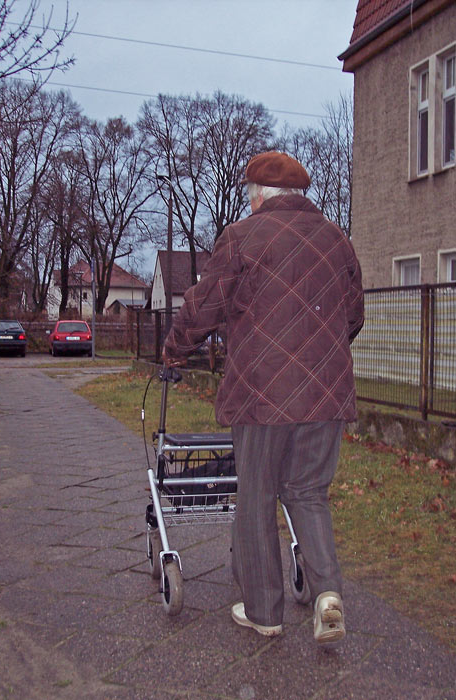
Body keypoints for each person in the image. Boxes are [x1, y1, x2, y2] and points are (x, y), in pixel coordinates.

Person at [162, 150, 364, 644]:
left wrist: (173, 352)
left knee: (255, 498)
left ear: (257, 195)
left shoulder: (242, 237)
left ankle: (264, 612)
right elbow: (353, 316)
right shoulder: (338, 241)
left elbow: (202, 307)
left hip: (261, 396)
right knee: (309, 492)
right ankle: (327, 595)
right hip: (327, 397)